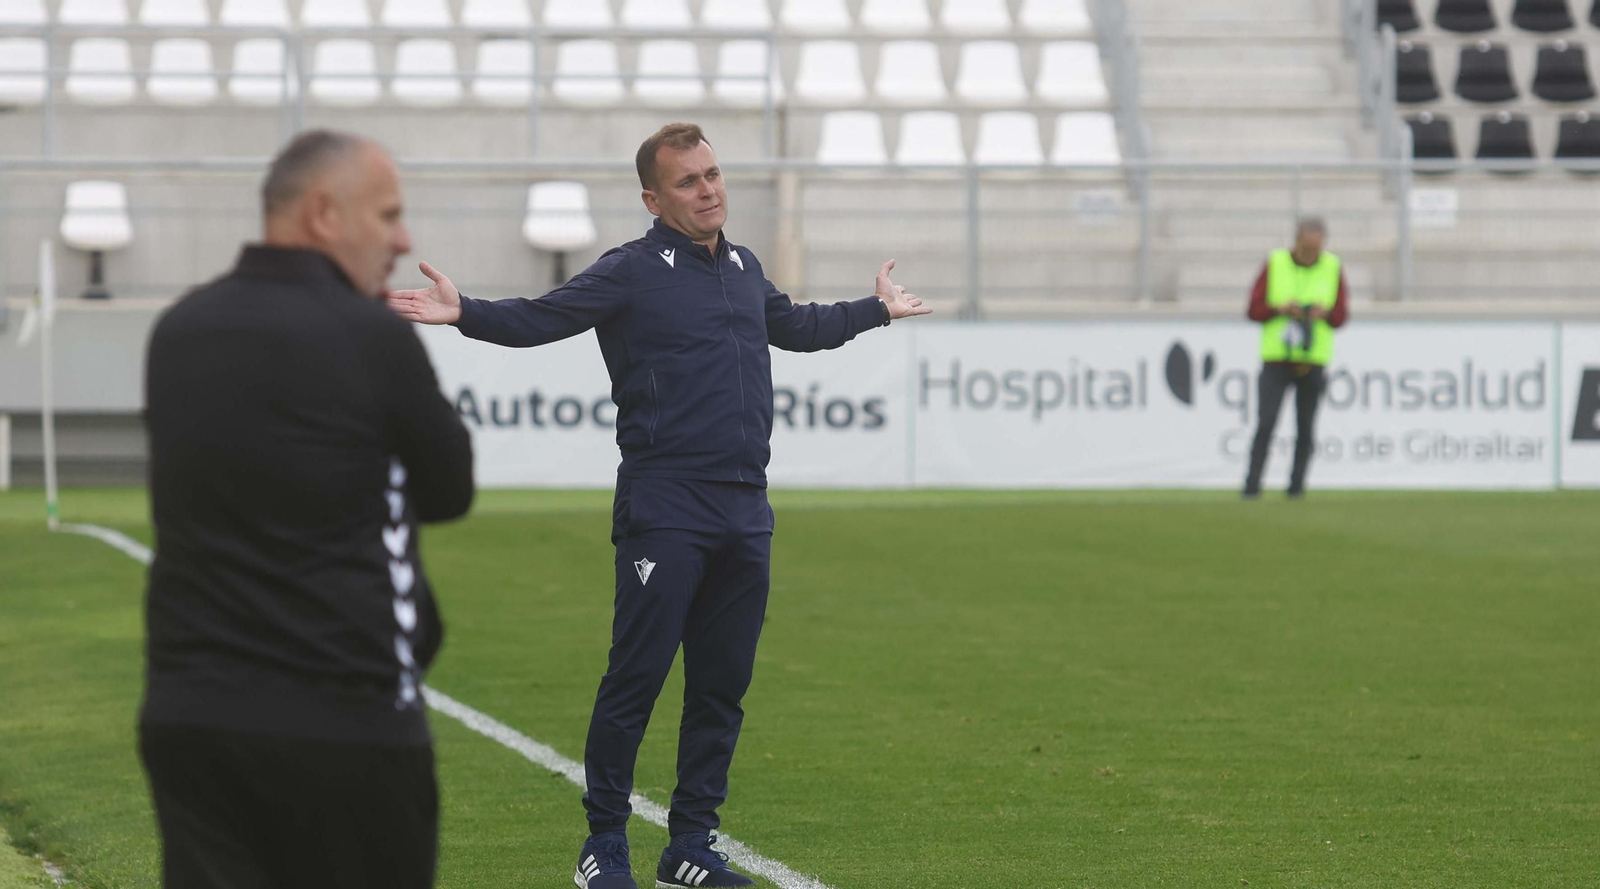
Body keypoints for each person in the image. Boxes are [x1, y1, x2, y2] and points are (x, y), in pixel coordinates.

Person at [388, 122, 930, 889]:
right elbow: (542, 318)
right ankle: (604, 842)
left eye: (712, 174)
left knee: (721, 687)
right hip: (665, 503)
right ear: (654, 197)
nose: (708, 189)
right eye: (688, 180)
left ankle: (690, 846)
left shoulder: (742, 265)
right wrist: (466, 311)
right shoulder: (631, 270)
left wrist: (873, 310)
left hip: (746, 507)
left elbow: (796, 327)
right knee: (635, 679)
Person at [139, 130, 474, 889]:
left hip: (191, 715)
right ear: (323, 214)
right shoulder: (370, 336)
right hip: (344, 719)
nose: (403, 239)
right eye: (388, 215)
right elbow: (448, 488)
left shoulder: (179, 330)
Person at [1242, 216, 1350, 499]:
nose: (1312, 254)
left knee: (1306, 427)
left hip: (1313, 360)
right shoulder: (1275, 263)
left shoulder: (1332, 267)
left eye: (1316, 248)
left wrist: (1323, 313)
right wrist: (1279, 309)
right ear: (1297, 241)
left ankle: (1296, 487)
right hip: (1278, 358)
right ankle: (1252, 486)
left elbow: (1341, 316)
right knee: (1266, 423)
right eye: (1307, 248)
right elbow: (1253, 310)